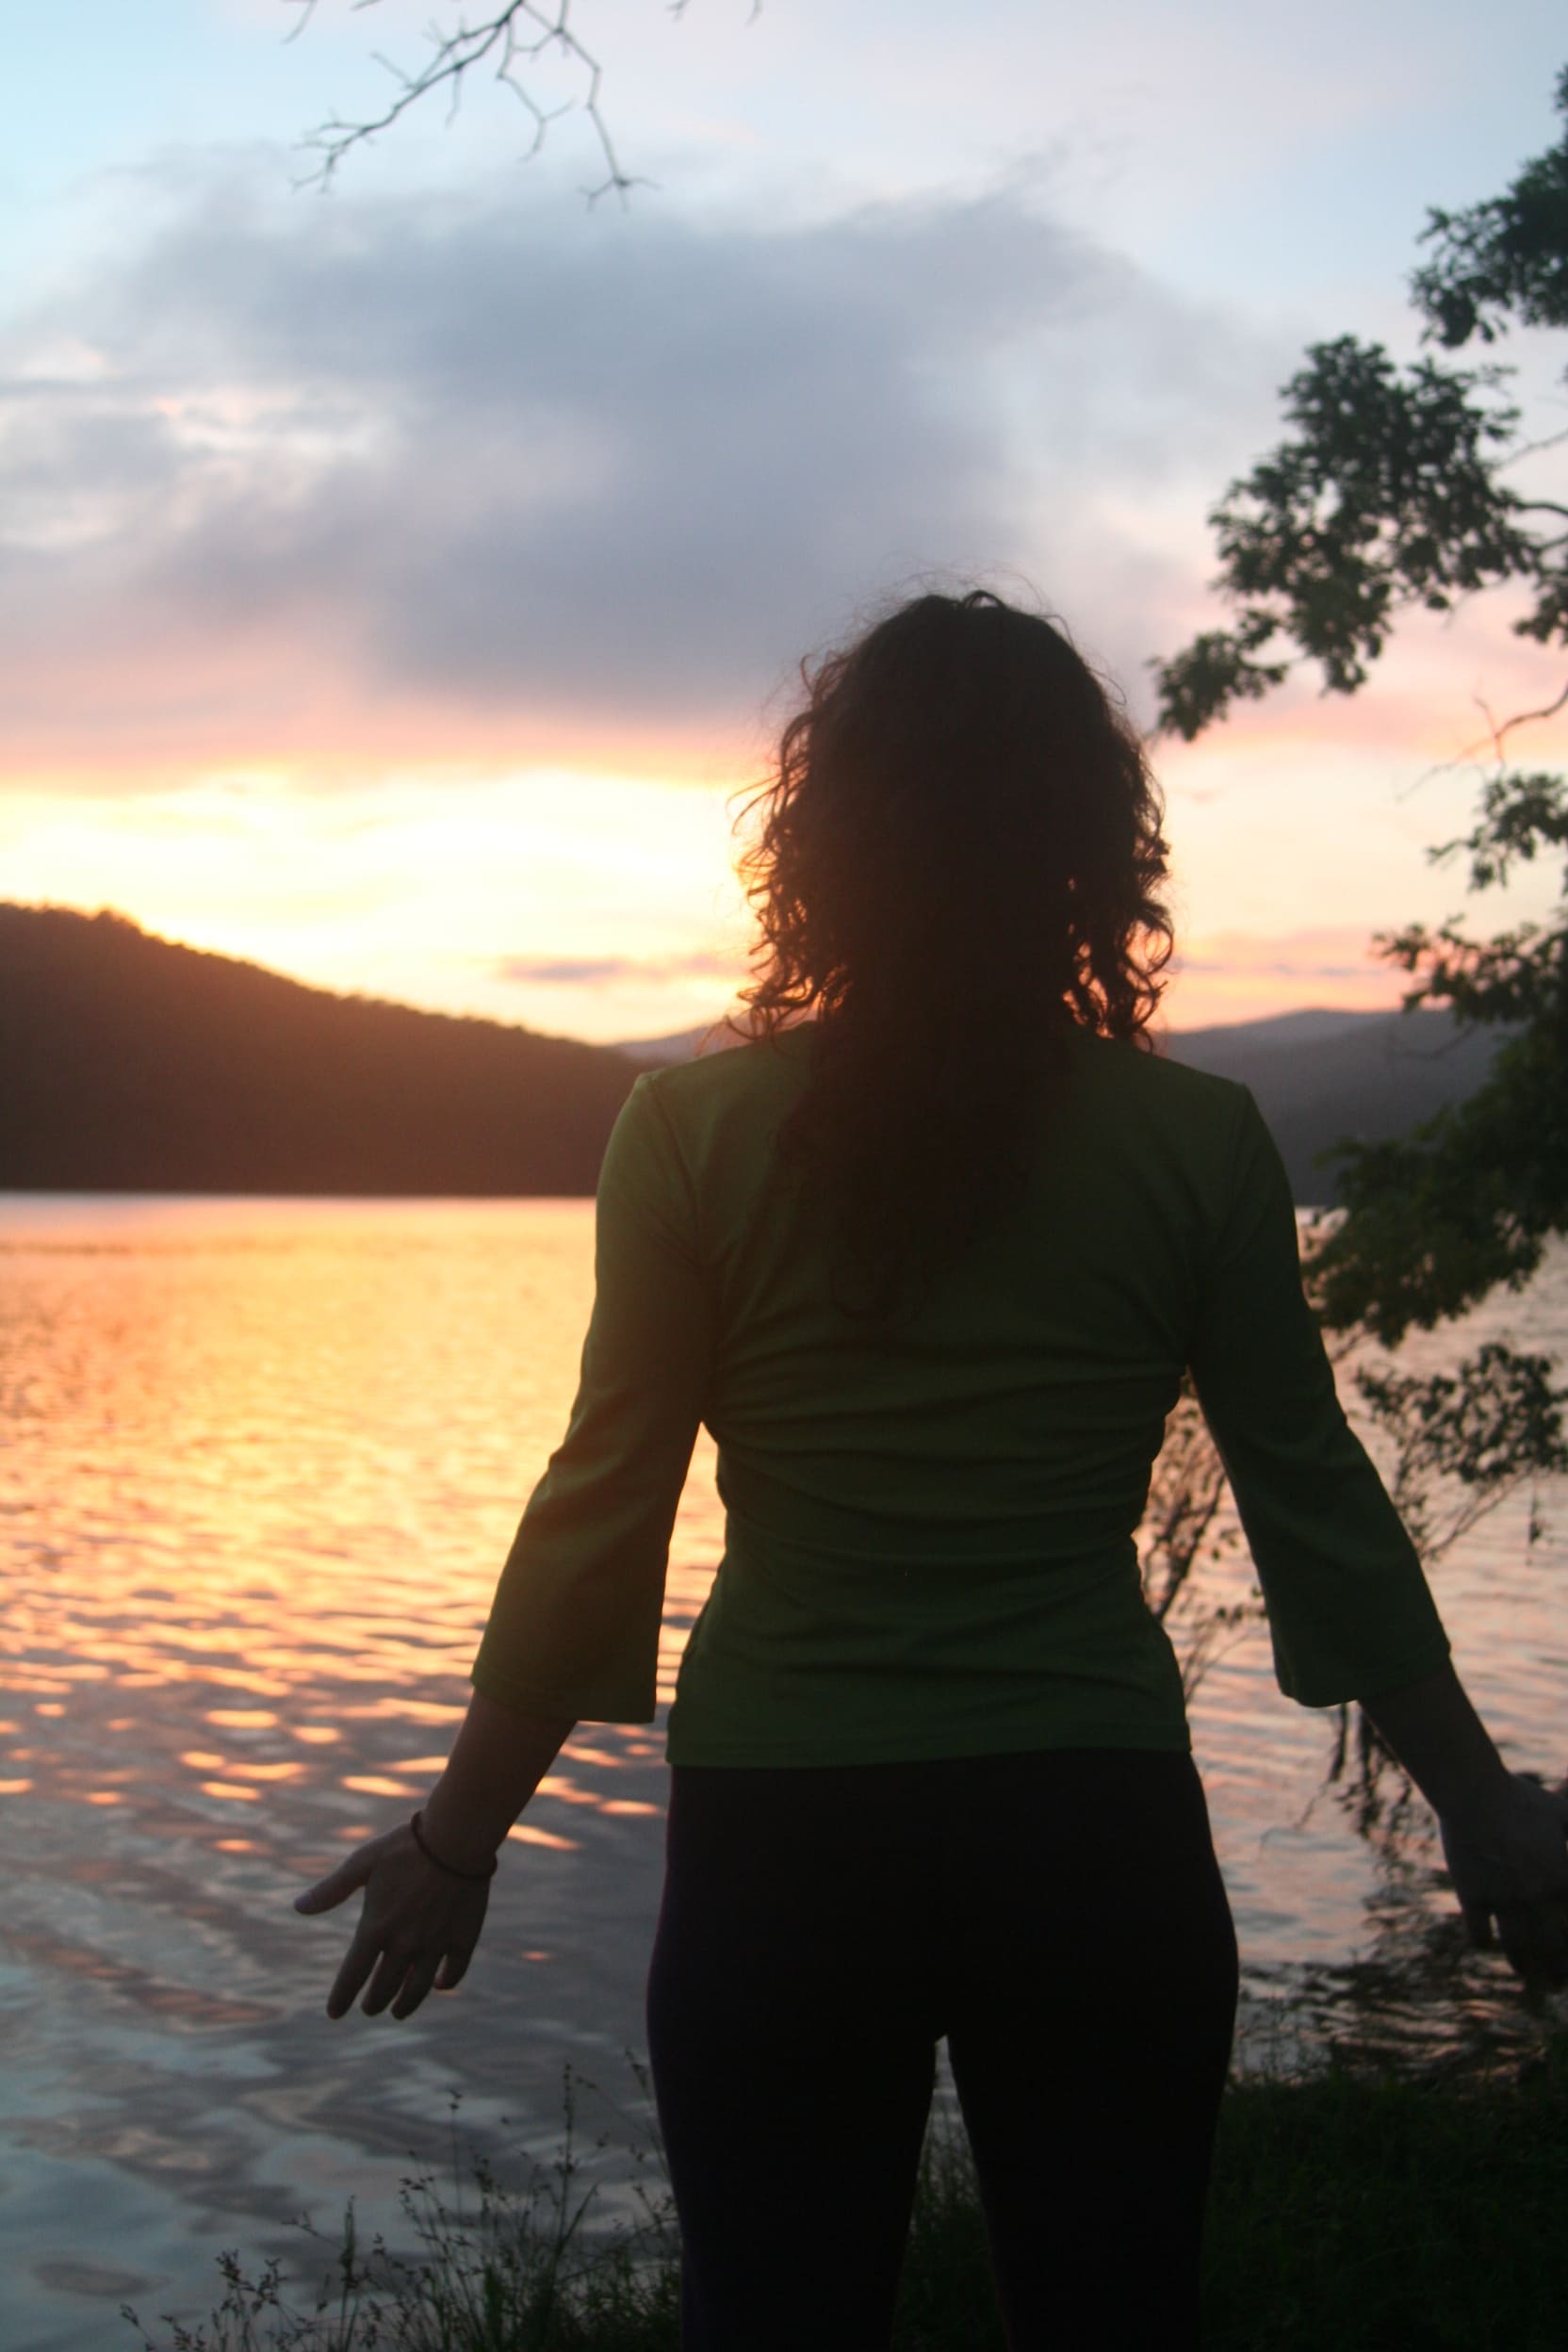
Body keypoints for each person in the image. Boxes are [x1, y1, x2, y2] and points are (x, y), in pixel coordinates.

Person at [296, 589, 1568, 2350]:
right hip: (1092, 1828)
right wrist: (1483, 1803)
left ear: (824, 847)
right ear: (1084, 850)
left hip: (785, 1845)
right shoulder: (1194, 1143)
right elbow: (1315, 1502)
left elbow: (605, 1511)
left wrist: (461, 1833)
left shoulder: (686, 1134)